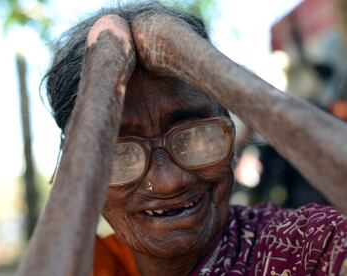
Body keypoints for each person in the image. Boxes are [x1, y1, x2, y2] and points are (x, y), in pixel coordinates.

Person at [18, 2, 347, 275]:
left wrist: (203, 64)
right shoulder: (90, 266)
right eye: (120, 153)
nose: (168, 182)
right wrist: (101, 77)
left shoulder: (304, 248)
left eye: (196, 136)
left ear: (230, 139)